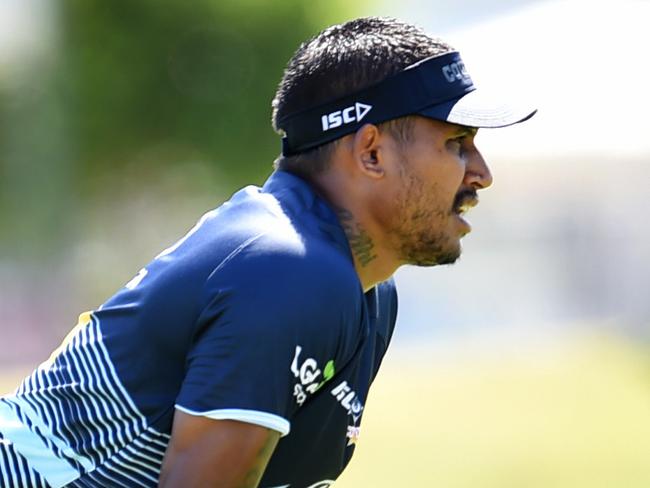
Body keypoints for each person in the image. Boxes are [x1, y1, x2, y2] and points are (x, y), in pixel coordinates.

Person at [0, 16, 535, 488]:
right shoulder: (292, 271)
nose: (481, 173)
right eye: (456, 143)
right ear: (371, 152)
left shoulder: (366, 292)